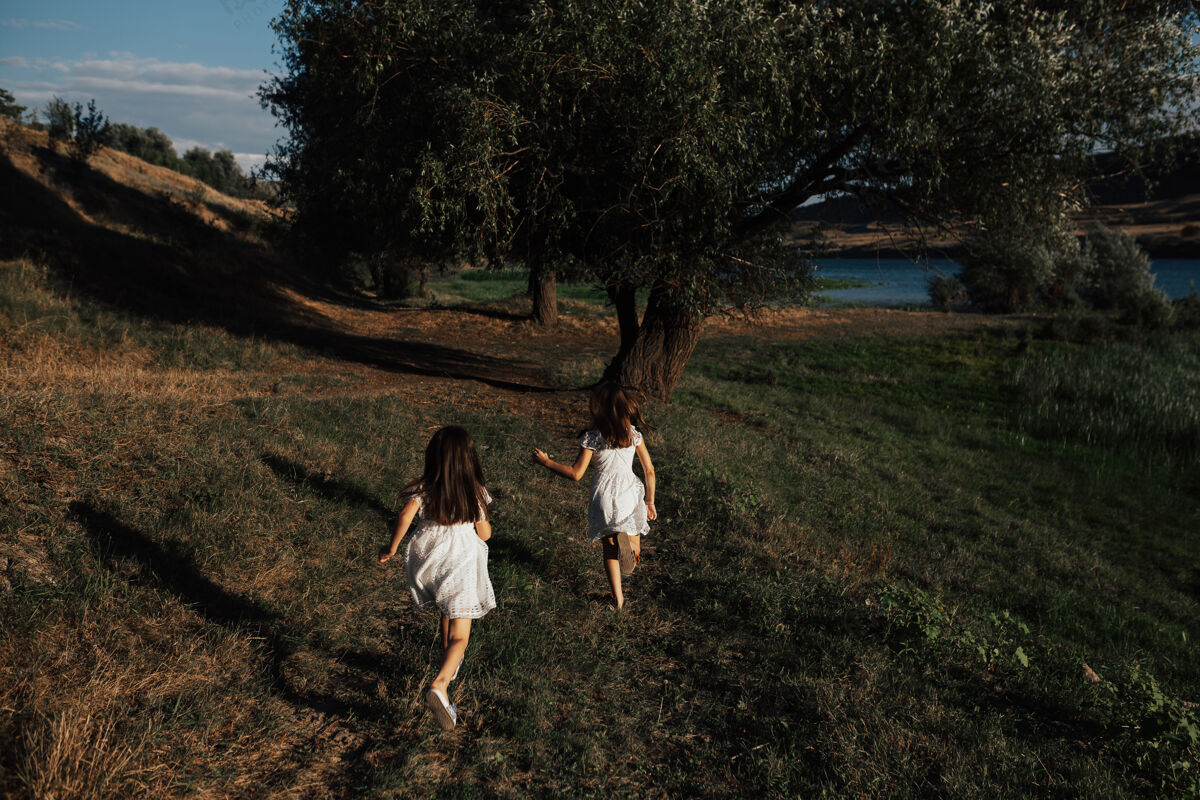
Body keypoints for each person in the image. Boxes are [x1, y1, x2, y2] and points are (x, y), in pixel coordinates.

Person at [378, 425, 495, 731]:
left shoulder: (425, 488)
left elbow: (405, 516)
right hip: (462, 565)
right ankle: (441, 684)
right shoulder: (475, 491)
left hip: (431, 562)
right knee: (461, 634)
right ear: (469, 460)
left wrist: (392, 548)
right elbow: (485, 533)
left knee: (446, 613)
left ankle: (448, 670)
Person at [532, 382, 657, 610]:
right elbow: (649, 470)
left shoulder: (593, 437)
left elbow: (576, 473)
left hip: (604, 496)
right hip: (629, 493)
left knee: (609, 549)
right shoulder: (633, 434)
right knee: (633, 541)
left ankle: (617, 599)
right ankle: (631, 551)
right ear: (623, 406)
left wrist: (547, 462)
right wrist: (649, 500)